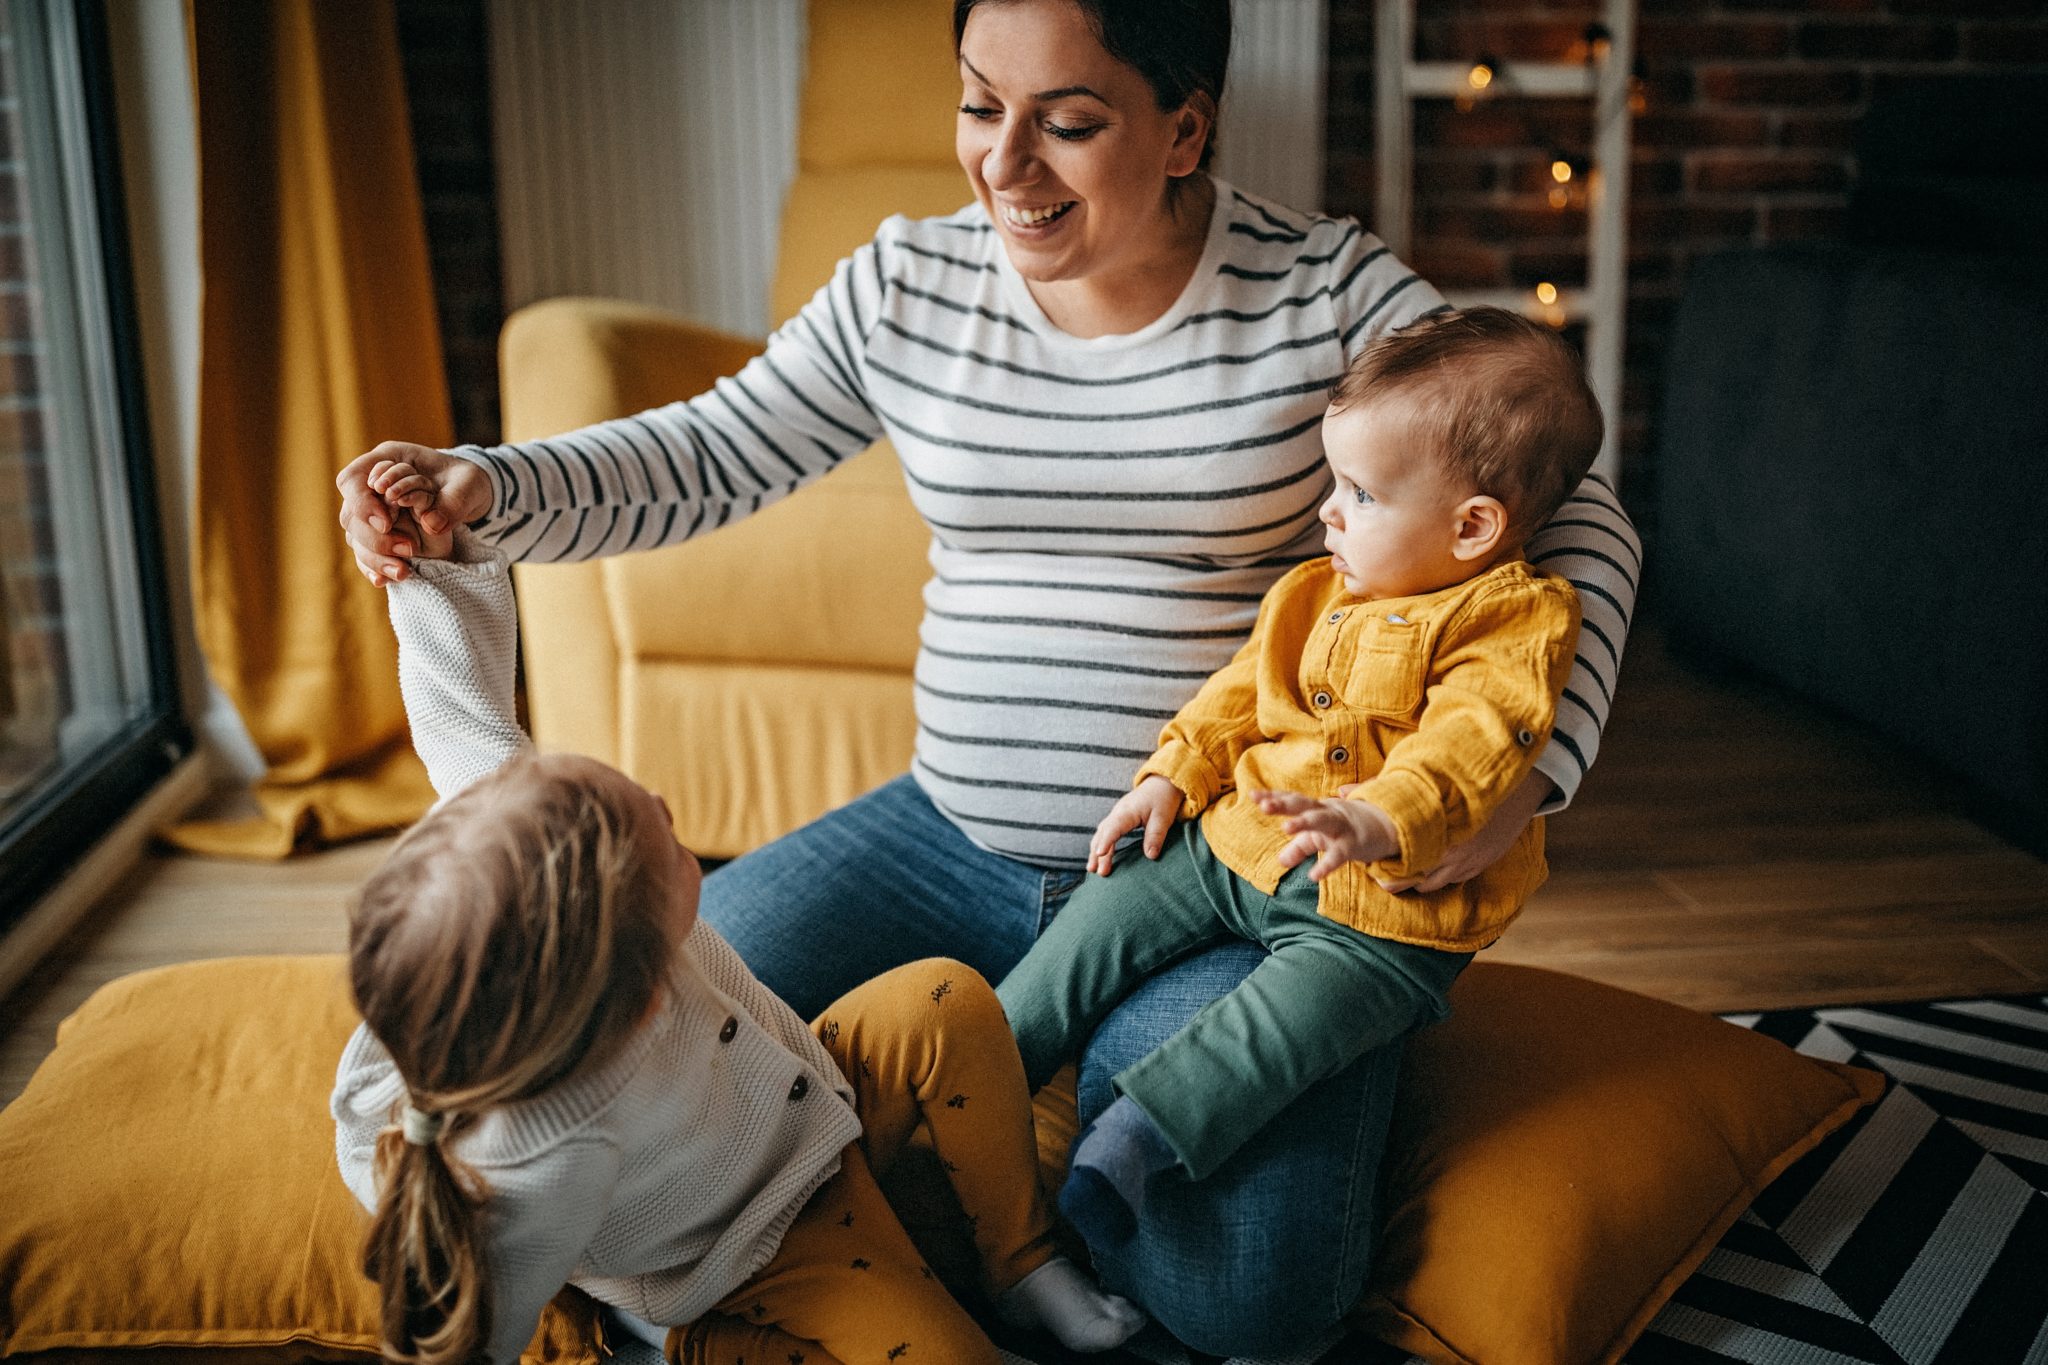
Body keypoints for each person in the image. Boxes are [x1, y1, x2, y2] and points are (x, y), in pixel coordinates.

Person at [334, 0, 1642, 1351]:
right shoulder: (912, 284)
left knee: (1257, 1297)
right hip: (936, 835)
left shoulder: (1325, 297)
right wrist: (483, 489)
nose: (1004, 165)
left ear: (1184, 126)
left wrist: (1527, 779)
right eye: (977, 106)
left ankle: (1008, 1196)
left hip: (1216, 874)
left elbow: (1574, 508)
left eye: (1069, 123)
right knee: (624, 1037)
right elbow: (713, 453)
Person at [331, 511, 1146, 1365]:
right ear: (646, 990)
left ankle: (1023, 1259)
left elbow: (461, 717)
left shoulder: (535, 863)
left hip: (816, 1104)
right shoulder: (544, 1153)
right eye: (668, 843)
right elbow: (474, 1316)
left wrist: (434, 567)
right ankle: (689, 1341)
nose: (664, 805)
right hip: (755, 1253)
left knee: (946, 997)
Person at [996, 307, 1598, 1246]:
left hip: (1385, 912)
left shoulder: (1515, 620)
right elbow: (1238, 694)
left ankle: (1137, 1136)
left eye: (1359, 491)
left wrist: (1381, 819)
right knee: (1105, 911)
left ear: (1473, 525)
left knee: (1289, 1025)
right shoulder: (1314, 591)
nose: (1329, 509)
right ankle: (988, 1054)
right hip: (1237, 838)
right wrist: (1172, 776)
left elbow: (1478, 737)